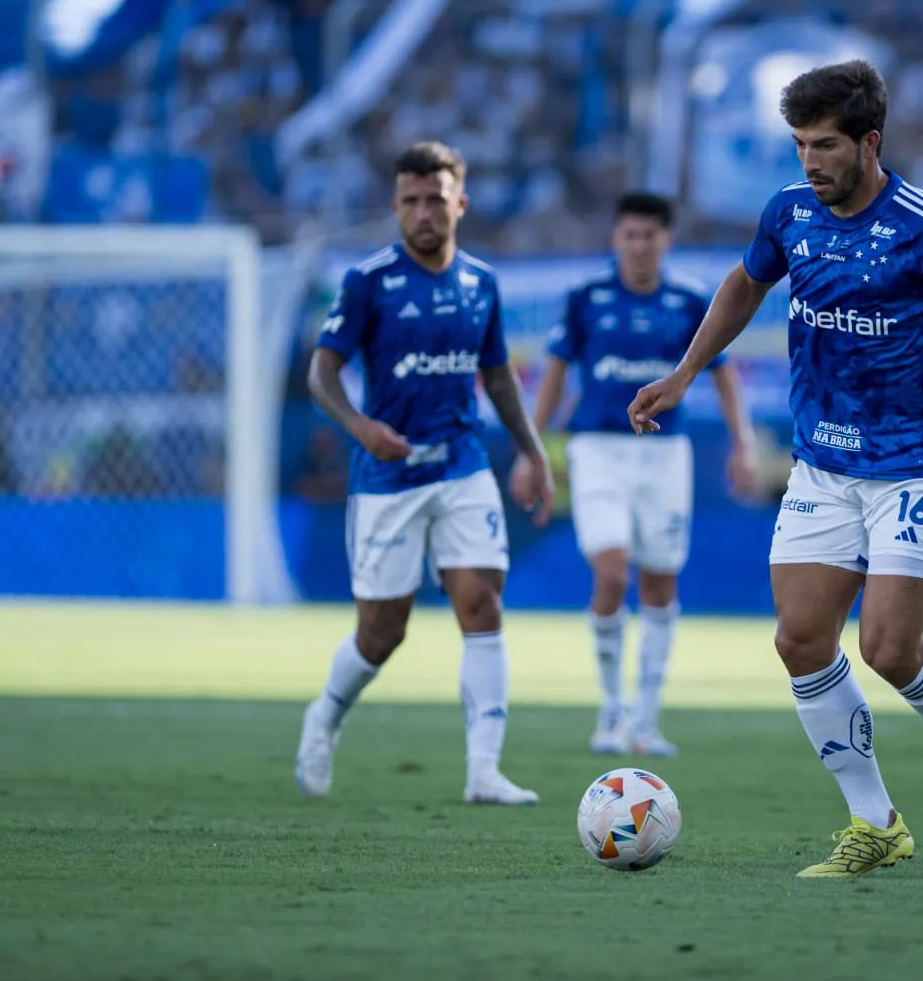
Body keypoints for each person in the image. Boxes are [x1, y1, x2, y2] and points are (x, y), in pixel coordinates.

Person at [627, 60, 923, 877]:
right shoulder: (789, 213)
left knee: (886, 647)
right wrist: (685, 371)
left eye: (826, 145)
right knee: (801, 638)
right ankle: (874, 821)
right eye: (801, 144)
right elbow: (744, 283)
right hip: (822, 465)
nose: (811, 161)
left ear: (869, 142)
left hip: (917, 464)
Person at [295, 141, 554, 805]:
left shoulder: (480, 283)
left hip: (462, 465)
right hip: (389, 475)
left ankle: (483, 770)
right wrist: (359, 427)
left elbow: (496, 375)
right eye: (409, 201)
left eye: (434, 199)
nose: (422, 212)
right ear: (394, 206)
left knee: (480, 603)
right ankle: (324, 715)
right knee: (384, 631)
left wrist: (531, 451)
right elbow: (321, 372)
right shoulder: (367, 282)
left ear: (459, 203)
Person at [525, 192, 762, 757]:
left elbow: (723, 374)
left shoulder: (687, 301)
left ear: (665, 241)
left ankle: (645, 721)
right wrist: (530, 448)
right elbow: (554, 373)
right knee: (610, 574)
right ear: (616, 240)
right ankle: (611, 711)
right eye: (628, 234)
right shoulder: (587, 300)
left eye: (648, 235)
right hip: (598, 448)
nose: (638, 245)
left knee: (660, 580)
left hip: (664, 452)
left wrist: (743, 445)